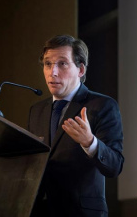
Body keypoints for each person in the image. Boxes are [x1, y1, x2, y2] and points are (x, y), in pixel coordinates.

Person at [28, 34, 124, 217]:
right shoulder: (36, 111)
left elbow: (115, 165)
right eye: (48, 64)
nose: (52, 72)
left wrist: (90, 143)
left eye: (62, 64)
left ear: (80, 70)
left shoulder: (102, 106)